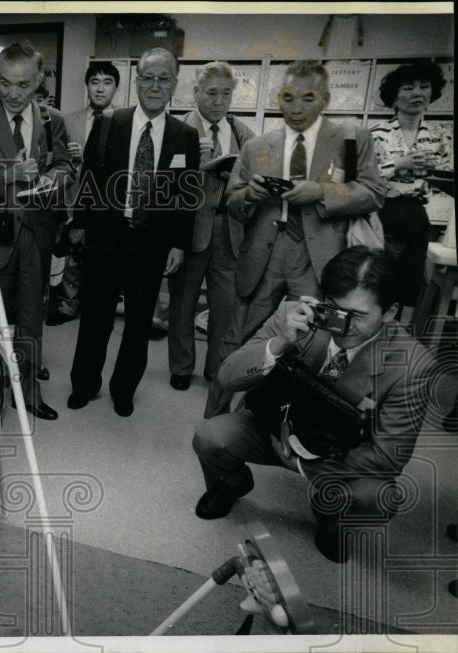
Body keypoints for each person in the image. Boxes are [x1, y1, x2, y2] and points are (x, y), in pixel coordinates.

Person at [192, 246, 432, 563]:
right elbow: (227, 377)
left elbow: (387, 458)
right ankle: (232, 484)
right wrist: (280, 343)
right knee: (209, 436)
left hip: (342, 453)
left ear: (390, 312)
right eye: (334, 309)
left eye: (358, 316)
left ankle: (331, 518)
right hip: (275, 429)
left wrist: (304, 467)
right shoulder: (295, 315)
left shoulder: (414, 365)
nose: (342, 325)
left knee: (378, 498)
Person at [204, 60, 385, 418]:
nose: (296, 108)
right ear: (278, 98)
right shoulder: (258, 146)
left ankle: (286, 421)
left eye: (307, 98)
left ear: (326, 99)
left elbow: (371, 193)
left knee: (311, 344)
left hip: (320, 259)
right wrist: (251, 195)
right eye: (288, 98)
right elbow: (232, 204)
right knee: (236, 340)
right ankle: (214, 420)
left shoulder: (348, 140)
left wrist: (319, 192)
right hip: (263, 256)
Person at [67, 47, 199, 417]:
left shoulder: (184, 136)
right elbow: (89, 179)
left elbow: (187, 196)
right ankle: (85, 384)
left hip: (151, 242)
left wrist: (179, 244)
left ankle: (123, 390)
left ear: (174, 84)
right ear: (137, 82)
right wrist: (79, 225)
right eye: (148, 78)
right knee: (95, 316)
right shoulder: (110, 122)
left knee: (139, 322)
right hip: (108, 235)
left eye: (163, 79)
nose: (155, 86)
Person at [0, 42, 72, 427]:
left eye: (23, 84)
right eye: (5, 83)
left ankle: (29, 395)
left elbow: (65, 163)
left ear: (38, 80)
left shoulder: (53, 120)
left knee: (31, 319)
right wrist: (11, 174)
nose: (13, 93)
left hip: (37, 233)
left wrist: (56, 177)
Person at [167, 61, 256, 391]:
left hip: (230, 231)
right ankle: (181, 365)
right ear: (195, 93)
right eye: (212, 93)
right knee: (183, 304)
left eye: (226, 94)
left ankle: (215, 367)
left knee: (225, 307)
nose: (219, 101)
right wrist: (195, 166)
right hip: (190, 230)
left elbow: (254, 177)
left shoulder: (242, 132)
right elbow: (165, 186)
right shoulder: (179, 130)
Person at [370, 61, 453, 310]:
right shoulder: (376, 134)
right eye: (408, 88)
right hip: (383, 213)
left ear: (432, 94)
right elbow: (363, 178)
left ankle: (395, 335)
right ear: (394, 98)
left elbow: (447, 177)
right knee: (378, 278)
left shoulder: (441, 135)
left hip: (417, 215)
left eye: (424, 87)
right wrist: (398, 163)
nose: (417, 93)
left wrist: (435, 174)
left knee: (409, 283)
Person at [48, 61, 123, 327]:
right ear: (87, 85)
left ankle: (98, 306)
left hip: (108, 199)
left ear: (116, 87)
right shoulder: (68, 121)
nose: (100, 88)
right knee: (71, 254)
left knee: (103, 255)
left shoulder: (125, 120)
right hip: (74, 195)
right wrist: (74, 161)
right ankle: (67, 306)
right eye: (95, 81)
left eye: (107, 82)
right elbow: (55, 162)